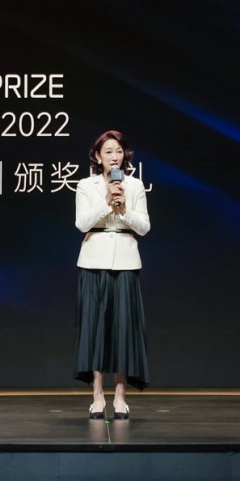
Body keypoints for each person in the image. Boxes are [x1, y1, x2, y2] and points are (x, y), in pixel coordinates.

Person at [73, 129, 150, 420]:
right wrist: (106, 200)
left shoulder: (135, 185)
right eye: (108, 152)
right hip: (93, 261)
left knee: (123, 330)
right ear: (97, 156)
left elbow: (144, 227)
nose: (114, 156)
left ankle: (120, 396)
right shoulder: (86, 185)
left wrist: (125, 209)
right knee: (95, 329)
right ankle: (97, 396)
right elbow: (82, 224)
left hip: (126, 262)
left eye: (118, 151)